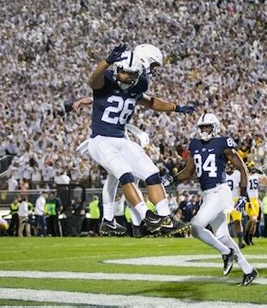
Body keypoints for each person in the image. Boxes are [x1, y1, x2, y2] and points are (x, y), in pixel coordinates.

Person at [78, 43, 193, 236]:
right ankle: (146, 216)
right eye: (125, 73)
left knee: (151, 172)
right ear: (117, 70)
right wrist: (106, 61)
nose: (128, 77)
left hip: (121, 139)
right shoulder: (106, 79)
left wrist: (175, 107)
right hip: (101, 140)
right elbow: (92, 80)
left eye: (132, 74)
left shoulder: (140, 83)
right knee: (124, 173)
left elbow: (149, 101)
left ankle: (165, 218)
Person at [162, 113, 258, 286]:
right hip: (207, 194)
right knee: (222, 236)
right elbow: (188, 171)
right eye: (202, 127)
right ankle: (248, 270)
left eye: (208, 127)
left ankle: (225, 253)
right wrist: (172, 178)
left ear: (215, 127)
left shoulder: (223, 143)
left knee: (196, 227)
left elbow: (242, 168)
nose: (204, 130)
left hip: (220, 192)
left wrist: (244, 195)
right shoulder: (195, 144)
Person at [244, 161, 267, 245]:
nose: (253, 168)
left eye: (254, 166)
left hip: (255, 199)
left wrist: (262, 172)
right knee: (253, 219)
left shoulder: (257, 176)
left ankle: (250, 238)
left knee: (255, 221)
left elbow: (266, 182)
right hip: (249, 199)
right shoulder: (245, 176)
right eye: (251, 166)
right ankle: (246, 236)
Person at [225, 162, 245, 248]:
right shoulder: (222, 174)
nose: (230, 166)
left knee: (238, 221)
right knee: (225, 223)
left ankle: (240, 241)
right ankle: (225, 242)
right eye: (228, 165)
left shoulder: (238, 174)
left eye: (231, 165)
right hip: (225, 200)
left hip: (235, 199)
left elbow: (242, 185)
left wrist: (242, 197)